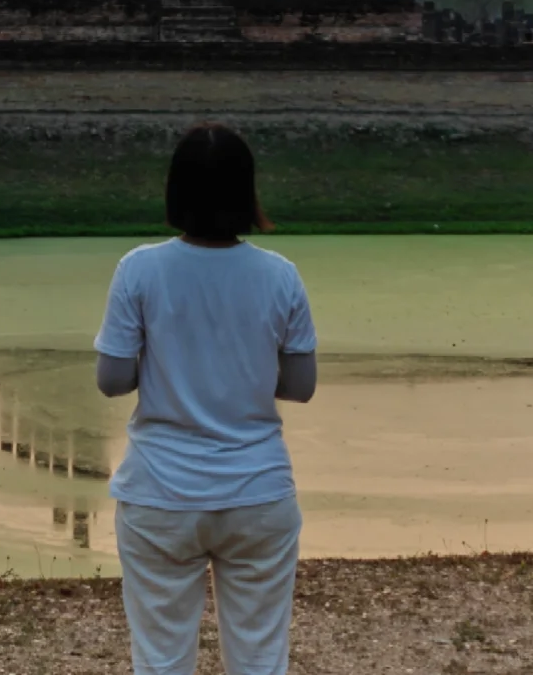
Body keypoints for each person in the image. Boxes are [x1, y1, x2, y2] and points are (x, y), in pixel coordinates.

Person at [94, 122, 317, 675]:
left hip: (160, 493)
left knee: (161, 658)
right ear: (247, 193)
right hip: (258, 492)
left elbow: (112, 380)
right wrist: (242, 375)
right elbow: (300, 386)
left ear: (175, 192)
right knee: (260, 658)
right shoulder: (281, 276)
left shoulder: (139, 269)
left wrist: (168, 367)